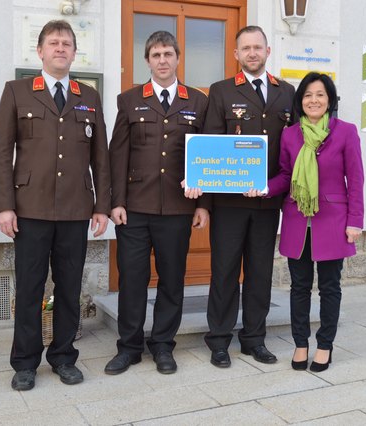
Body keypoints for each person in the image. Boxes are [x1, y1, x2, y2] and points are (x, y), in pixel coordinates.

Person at [0, 20, 110, 390]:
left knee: (69, 288)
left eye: (67, 44)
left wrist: (101, 206)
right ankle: (25, 363)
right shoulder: (17, 91)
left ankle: (63, 357)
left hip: (75, 210)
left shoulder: (88, 96)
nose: (60, 49)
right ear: (39, 51)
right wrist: (3, 206)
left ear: (75, 53)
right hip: (29, 209)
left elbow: (100, 157)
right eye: (53, 43)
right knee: (29, 288)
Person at [105, 31, 209, 375]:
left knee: (172, 280)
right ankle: (129, 347)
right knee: (132, 280)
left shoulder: (197, 101)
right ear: (147, 61)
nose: (162, 60)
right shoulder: (129, 99)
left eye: (168, 54)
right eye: (156, 55)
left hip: (178, 209)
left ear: (178, 58)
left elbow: (206, 156)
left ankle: (163, 345)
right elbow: (117, 154)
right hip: (134, 208)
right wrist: (115, 201)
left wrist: (202, 204)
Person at [196, 25, 295, 368]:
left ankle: (254, 338)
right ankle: (219, 340)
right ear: (236, 55)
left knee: (259, 273)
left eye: (258, 47)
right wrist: (204, 203)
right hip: (229, 203)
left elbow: (294, 149)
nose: (252, 53)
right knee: (223, 272)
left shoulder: (287, 93)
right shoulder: (222, 91)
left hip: (268, 202)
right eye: (245, 48)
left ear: (268, 52)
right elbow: (208, 148)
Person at [266, 72, 364, 372]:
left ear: (330, 100)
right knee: (299, 287)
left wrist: (355, 221)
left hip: (333, 220)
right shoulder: (291, 134)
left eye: (320, 94)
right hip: (298, 219)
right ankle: (300, 344)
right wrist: (264, 187)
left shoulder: (345, 132)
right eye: (308, 95)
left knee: (330, 287)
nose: (314, 100)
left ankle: (324, 345)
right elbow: (285, 174)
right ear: (301, 101)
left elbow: (356, 179)